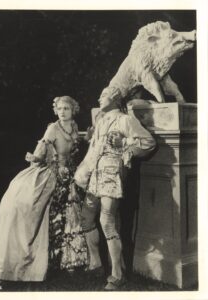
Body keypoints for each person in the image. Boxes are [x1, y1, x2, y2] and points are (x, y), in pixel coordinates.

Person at [0, 96, 88, 282]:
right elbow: (40, 152)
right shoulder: (52, 128)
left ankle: (69, 260)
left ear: (73, 110)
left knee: (71, 215)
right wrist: (39, 158)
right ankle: (47, 260)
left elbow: (75, 146)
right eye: (59, 108)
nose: (62, 112)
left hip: (70, 175)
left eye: (66, 108)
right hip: (53, 175)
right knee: (47, 214)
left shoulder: (74, 127)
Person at [74, 86, 156, 290]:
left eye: (103, 95)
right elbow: (93, 151)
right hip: (94, 175)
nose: (99, 98)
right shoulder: (101, 121)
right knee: (86, 217)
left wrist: (124, 142)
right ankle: (97, 262)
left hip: (112, 175)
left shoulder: (125, 120)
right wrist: (82, 174)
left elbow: (148, 143)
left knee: (107, 221)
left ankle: (117, 274)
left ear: (115, 98)